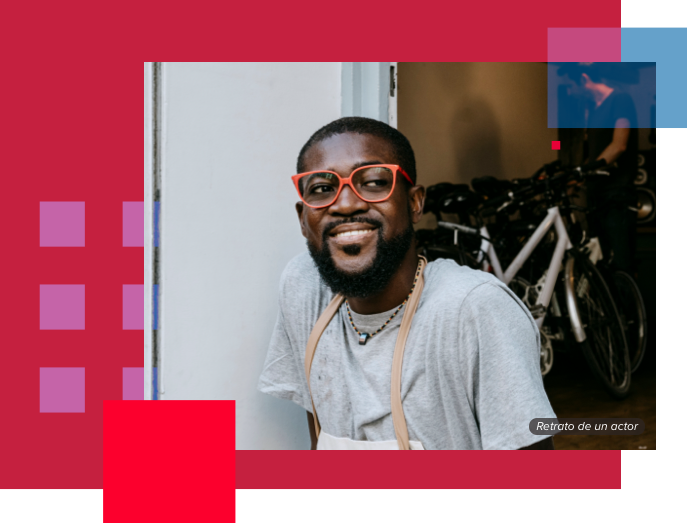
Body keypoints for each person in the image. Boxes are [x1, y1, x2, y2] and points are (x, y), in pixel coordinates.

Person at [258, 117, 556, 450]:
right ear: (303, 218)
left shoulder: (472, 309)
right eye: (322, 189)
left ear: (415, 203)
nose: (345, 204)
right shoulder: (304, 287)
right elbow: (322, 422)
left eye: (372, 182)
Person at [568, 64, 639, 274]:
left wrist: (587, 171)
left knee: (621, 265)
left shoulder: (621, 100)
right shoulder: (594, 109)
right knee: (603, 264)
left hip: (617, 195)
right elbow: (595, 153)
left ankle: (627, 306)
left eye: (572, 86)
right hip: (597, 197)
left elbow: (619, 145)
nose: (571, 92)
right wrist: (577, 178)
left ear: (583, 79)